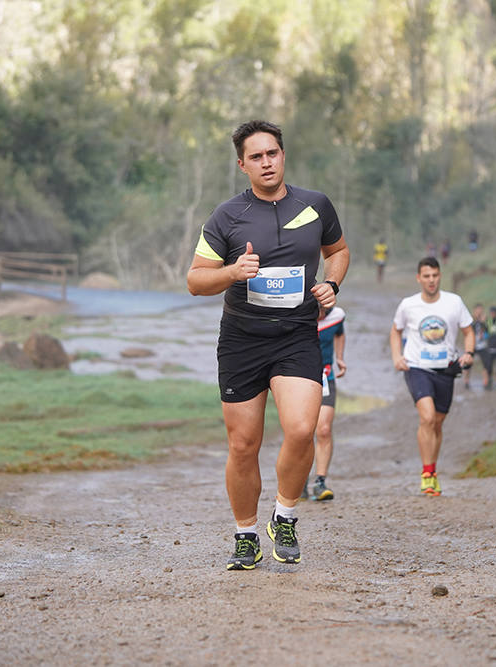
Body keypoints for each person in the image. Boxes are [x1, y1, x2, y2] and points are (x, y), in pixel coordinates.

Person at [186, 120, 350, 570]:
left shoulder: (315, 206)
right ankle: (245, 535)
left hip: (297, 334)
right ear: (242, 165)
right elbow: (196, 281)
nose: (266, 162)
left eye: (272, 153)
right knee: (243, 444)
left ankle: (285, 515)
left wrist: (331, 283)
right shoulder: (226, 216)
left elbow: (338, 251)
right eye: (256, 157)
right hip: (242, 338)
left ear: (283, 155)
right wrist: (233, 272)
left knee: (301, 428)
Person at [389, 256, 474, 497]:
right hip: (417, 367)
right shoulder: (408, 305)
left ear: (440, 276)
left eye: (435, 275)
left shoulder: (454, 302)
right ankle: (427, 474)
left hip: (446, 369)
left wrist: (468, 353)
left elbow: (468, 331)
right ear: (419, 278)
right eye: (426, 276)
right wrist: (397, 357)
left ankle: (432, 470)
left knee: (437, 423)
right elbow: (395, 332)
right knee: (426, 418)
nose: (431, 280)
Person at [306, 303, 346, 501]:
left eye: (324, 311)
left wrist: (339, 357)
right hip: (299, 379)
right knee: (302, 431)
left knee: (323, 429)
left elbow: (339, 333)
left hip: (325, 378)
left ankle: (320, 482)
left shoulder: (337, 315)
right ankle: (299, 480)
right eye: (317, 311)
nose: (321, 315)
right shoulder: (300, 314)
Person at [465, 303, 488, 390]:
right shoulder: (470, 320)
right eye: (478, 310)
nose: (479, 312)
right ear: (474, 311)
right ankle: (466, 381)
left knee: (486, 364)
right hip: (472, 345)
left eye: (481, 310)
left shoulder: (485, 320)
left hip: (482, 345)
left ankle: (485, 382)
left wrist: (483, 322)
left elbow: (488, 330)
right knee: (468, 363)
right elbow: (468, 330)